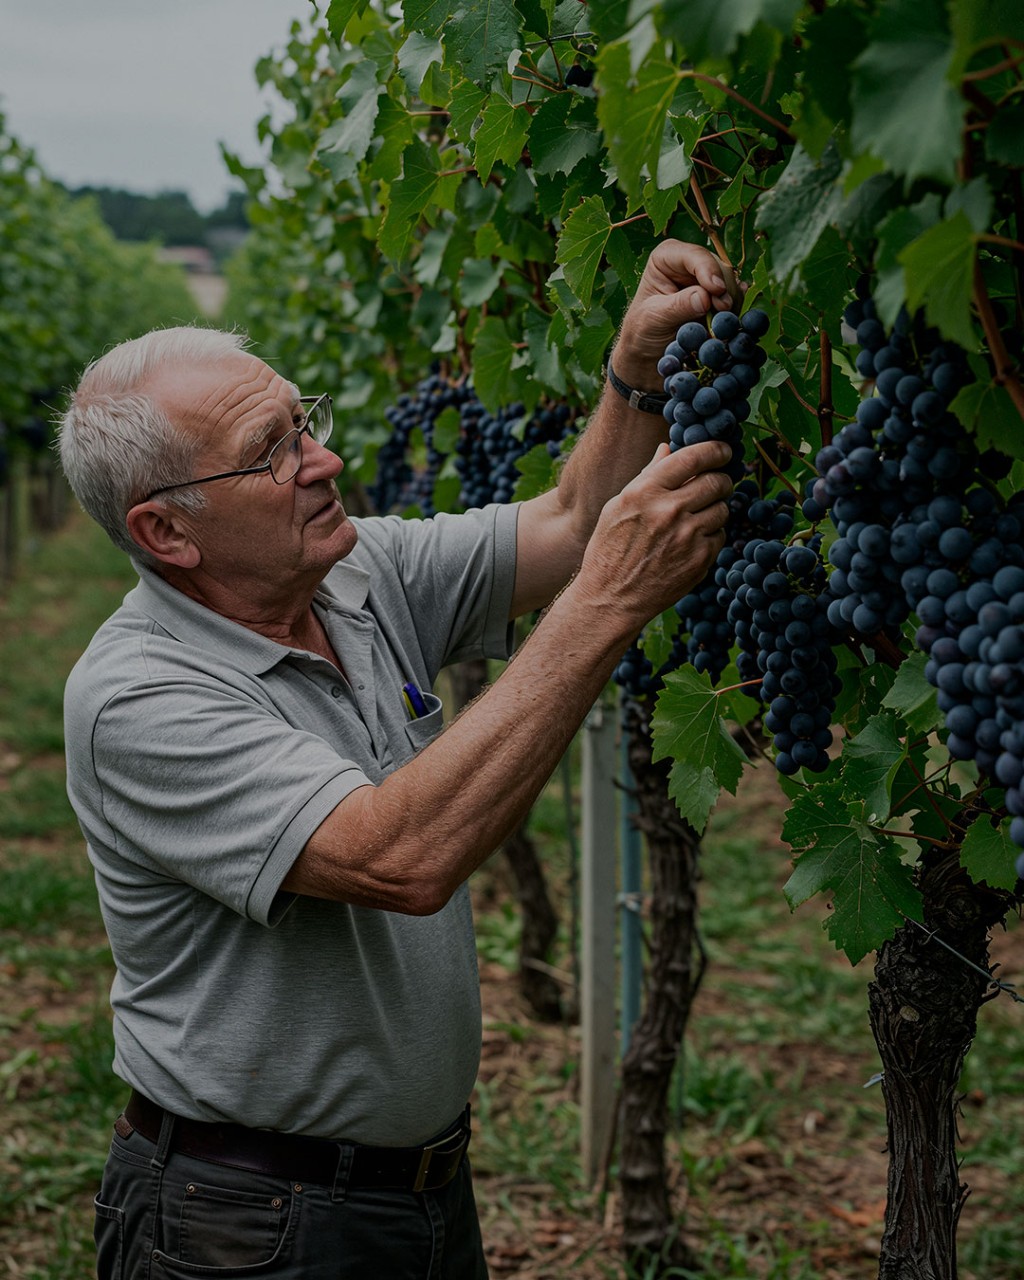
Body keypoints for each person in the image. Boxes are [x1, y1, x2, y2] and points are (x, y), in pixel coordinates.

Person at [59, 240, 736, 1279]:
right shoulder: (138, 698)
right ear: (167, 530)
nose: (324, 461)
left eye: (305, 423)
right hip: (246, 1226)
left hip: (413, 1191)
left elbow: (567, 522)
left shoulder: (353, 575)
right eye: (272, 450)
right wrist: (603, 604)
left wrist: (635, 372)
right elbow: (401, 856)